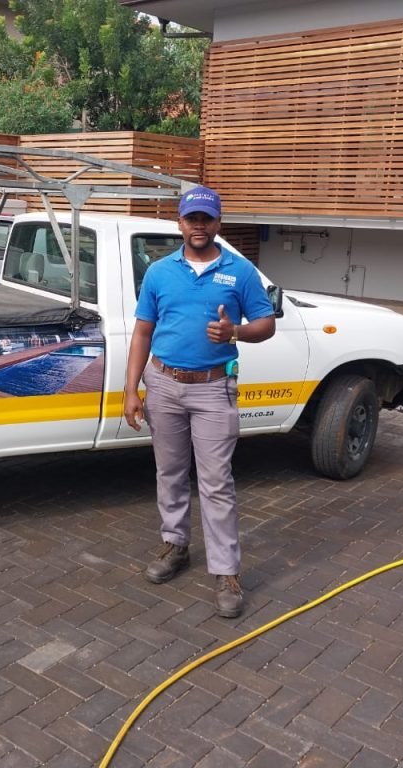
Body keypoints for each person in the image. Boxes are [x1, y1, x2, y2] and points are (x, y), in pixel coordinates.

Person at [124, 186, 275, 618]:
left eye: (207, 219)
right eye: (192, 219)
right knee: (169, 472)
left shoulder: (240, 272)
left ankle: (226, 571)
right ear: (180, 224)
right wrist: (132, 389)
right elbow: (142, 333)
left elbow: (265, 323)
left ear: (218, 223)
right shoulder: (159, 273)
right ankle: (175, 545)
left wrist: (236, 333)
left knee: (216, 482)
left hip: (213, 389)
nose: (199, 226)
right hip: (164, 383)